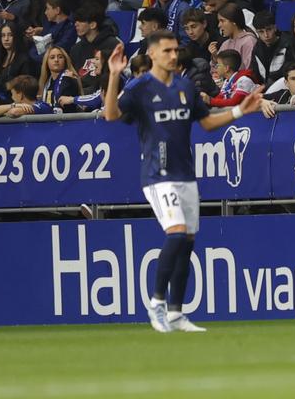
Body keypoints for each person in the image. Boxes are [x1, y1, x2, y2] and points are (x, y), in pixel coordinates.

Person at [101, 32, 263, 333]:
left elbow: (206, 123)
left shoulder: (185, 86)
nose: (173, 56)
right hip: (157, 174)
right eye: (167, 51)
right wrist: (113, 76)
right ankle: (157, 303)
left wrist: (240, 110)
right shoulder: (139, 87)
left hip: (185, 174)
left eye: (175, 50)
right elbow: (111, 115)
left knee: (187, 243)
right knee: (176, 234)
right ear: (152, 54)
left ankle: (176, 313)